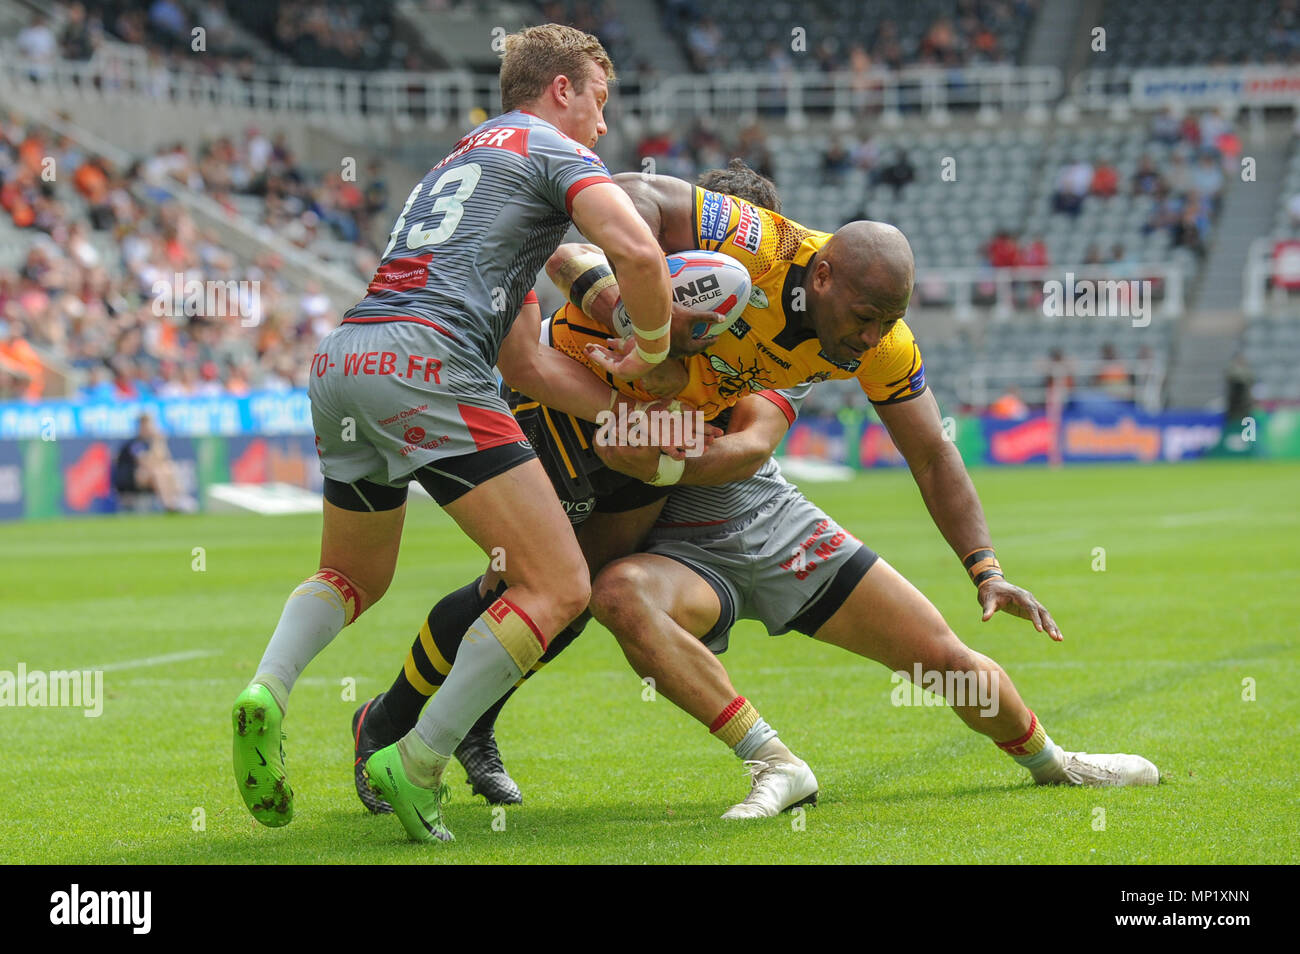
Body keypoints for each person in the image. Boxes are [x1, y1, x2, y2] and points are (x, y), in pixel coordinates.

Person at [352, 162, 1155, 819]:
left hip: (695, 483)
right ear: (824, 271)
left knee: (930, 653)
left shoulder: (857, 343)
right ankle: (402, 728)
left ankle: (1054, 761)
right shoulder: (750, 251)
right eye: (866, 315)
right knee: (562, 590)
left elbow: (917, 455)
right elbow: (609, 215)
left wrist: (984, 565)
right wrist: (636, 302)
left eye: (886, 321)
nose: (871, 337)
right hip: (569, 418)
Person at [231, 23, 679, 844]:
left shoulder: (461, 159)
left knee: (350, 573)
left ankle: (268, 688)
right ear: (561, 91)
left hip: (344, 357)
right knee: (560, 587)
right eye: (599, 103)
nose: (604, 129)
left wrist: (627, 413)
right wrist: (652, 356)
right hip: (426, 361)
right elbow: (641, 256)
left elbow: (531, 368)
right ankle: (419, 756)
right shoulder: (553, 151)